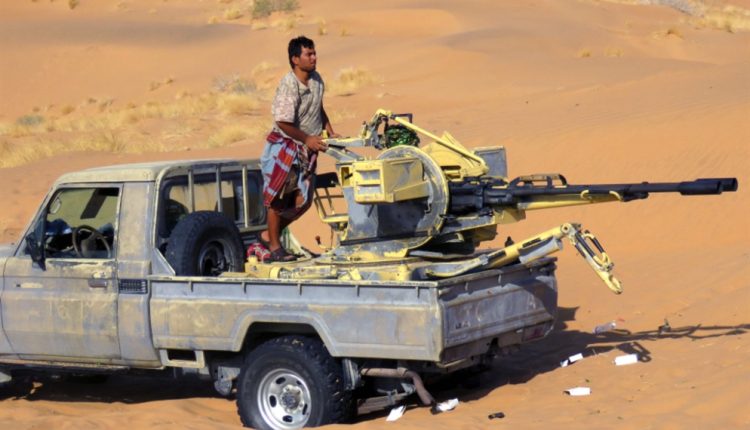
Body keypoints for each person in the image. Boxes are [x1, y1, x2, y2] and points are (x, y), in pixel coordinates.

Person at [254, 36, 338, 262]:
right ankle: (274, 246)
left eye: (314, 53)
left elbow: (318, 107)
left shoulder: (317, 80)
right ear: (295, 59)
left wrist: (329, 131)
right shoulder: (289, 85)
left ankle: (267, 236)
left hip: (306, 151)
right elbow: (283, 122)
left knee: (304, 201)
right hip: (285, 149)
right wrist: (307, 138)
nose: (314, 57)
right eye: (308, 54)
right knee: (278, 199)